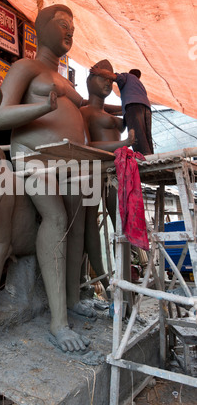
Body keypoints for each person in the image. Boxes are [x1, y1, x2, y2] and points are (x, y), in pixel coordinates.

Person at [0, 4, 92, 353]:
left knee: (77, 225)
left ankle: (73, 300)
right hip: (33, 154)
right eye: (63, 24)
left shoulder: (65, 79)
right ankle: (58, 323)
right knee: (56, 218)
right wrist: (43, 108)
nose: (70, 31)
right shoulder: (25, 67)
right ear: (40, 27)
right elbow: (2, 117)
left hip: (74, 159)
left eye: (72, 27)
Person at [81, 59, 135, 294]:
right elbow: (87, 143)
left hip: (118, 170)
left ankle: (125, 279)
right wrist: (121, 143)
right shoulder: (83, 112)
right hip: (95, 170)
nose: (107, 83)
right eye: (102, 78)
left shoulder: (107, 111)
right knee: (91, 225)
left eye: (111, 79)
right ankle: (103, 279)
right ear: (89, 81)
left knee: (122, 224)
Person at [90, 66, 153, 155]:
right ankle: (151, 157)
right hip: (146, 108)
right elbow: (129, 109)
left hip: (133, 105)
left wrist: (99, 72)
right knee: (147, 136)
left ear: (130, 72)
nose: (108, 84)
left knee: (137, 134)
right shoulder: (139, 84)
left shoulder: (127, 76)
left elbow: (113, 76)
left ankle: (143, 156)